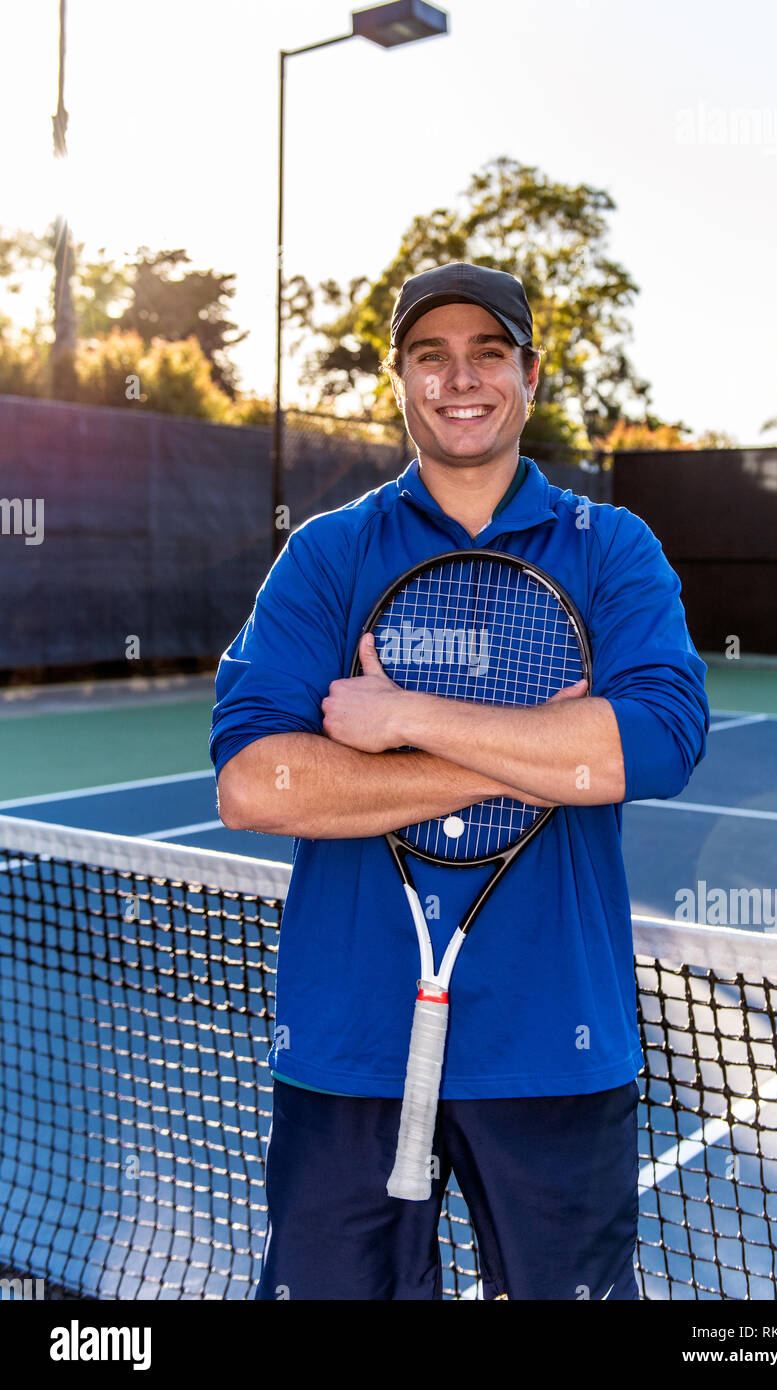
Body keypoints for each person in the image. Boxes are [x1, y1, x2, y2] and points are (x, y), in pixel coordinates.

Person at [210, 261, 709, 1300]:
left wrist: (402, 721)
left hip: (555, 1050)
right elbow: (257, 786)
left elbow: (649, 744)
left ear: (530, 373)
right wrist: (533, 754)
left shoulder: (612, 547)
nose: (461, 378)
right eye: (430, 355)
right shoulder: (327, 554)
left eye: (489, 352)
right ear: (398, 379)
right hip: (350, 1051)